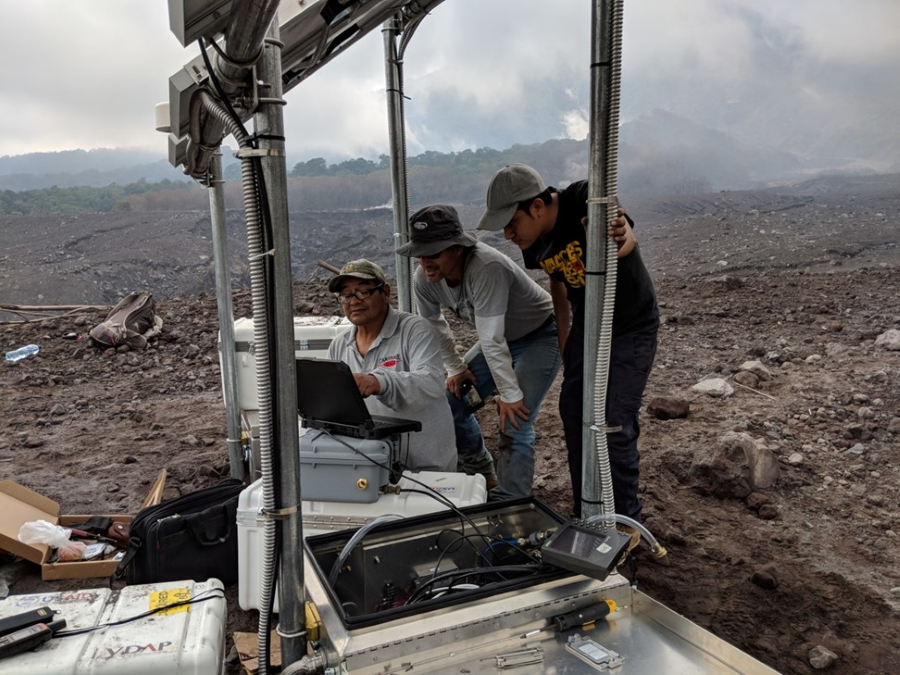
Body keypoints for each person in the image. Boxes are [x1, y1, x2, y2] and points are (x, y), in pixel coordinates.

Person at [477, 164, 659, 521]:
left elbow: (624, 239)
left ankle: (624, 523)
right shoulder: (534, 243)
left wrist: (616, 237)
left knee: (613, 424)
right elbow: (558, 286)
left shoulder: (584, 198)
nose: (509, 235)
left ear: (538, 207)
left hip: (630, 327)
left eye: (512, 224)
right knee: (574, 413)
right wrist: (566, 343)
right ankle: (587, 512)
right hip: (587, 329)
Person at [396, 204, 561, 499]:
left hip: (540, 336)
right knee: (450, 401)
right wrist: (456, 368)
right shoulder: (424, 278)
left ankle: (512, 501)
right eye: (420, 254)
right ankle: (482, 472)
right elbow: (434, 324)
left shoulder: (486, 267)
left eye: (433, 253)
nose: (424, 262)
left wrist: (510, 395)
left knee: (515, 418)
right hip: (500, 341)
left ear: (457, 249)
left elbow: (491, 336)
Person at [326, 259, 456, 473]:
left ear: (385, 292)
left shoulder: (415, 330)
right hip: (373, 464)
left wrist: (379, 382)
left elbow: (431, 382)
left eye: (363, 292)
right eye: (347, 295)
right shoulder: (339, 346)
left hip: (426, 465)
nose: (354, 301)